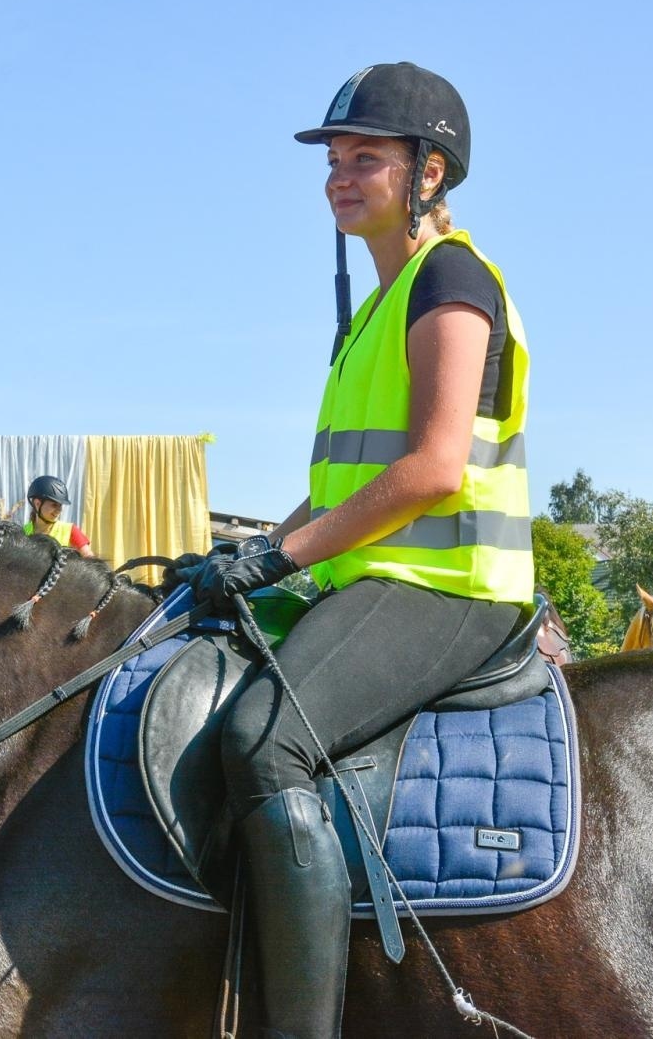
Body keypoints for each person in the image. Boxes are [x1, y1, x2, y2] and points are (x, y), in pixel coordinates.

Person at [172, 63, 533, 1037]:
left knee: (263, 739)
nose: (338, 175)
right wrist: (243, 554)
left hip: (450, 585)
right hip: (374, 573)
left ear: (428, 172)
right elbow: (341, 488)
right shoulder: (373, 308)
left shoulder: (451, 279)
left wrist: (283, 560)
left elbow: (432, 470)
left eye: (364, 157)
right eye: (333, 159)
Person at [23, 476, 95, 558]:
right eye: (54, 505)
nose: (59, 510)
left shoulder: (70, 530)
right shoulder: (23, 532)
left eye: (60, 506)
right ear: (37, 504)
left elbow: (90, 559)